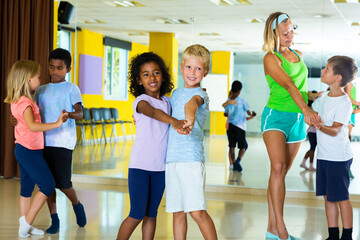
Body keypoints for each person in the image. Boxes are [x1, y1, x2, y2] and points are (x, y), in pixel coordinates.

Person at [261, 12, 321, 240]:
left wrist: (315, 97)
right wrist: (306, 108)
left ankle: (271, 230)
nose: (290, 36)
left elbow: (301, 88)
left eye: (291, 31)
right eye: (284, 33)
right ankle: (282, 230)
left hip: (297, 121)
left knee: (280, 175)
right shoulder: (270, 58)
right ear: (274, 33)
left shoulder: (299, 54)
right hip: (275, 117)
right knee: (276, 169)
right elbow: (287, 85)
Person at [116, 52, 188, 240]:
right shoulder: (141, 101)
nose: (152, 78)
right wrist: (174, 121)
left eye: (156, 73)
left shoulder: (167, 101)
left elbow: (178, 107)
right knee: (136, 214)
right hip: (140, 167)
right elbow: (153, 113)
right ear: (139, 80)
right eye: (146, 74)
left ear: (163, 76)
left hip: (160, 168)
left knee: (151, 214)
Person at [4, 60, 67, 238]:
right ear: (28, 79)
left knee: (26, 188)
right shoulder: (26, 103)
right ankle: (26, 223)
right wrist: (56, 124)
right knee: (48, 185)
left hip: (25, 149)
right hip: (28, 151)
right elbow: (32, 126)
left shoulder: (18, 100)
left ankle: (25, 227)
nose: (40, 79)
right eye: (38, 77)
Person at [165, 44, 218, 240]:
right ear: (181, 67)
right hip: (172, 160)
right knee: (177, 211)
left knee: (196, 211)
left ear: (206, 71)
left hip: (191, 161)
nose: (192, 72)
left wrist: (189, 119)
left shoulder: (201, 94)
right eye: (189, 67)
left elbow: (192, 104)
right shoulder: (176, 94)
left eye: (198, 68)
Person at [34, 48, 86, 233]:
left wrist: (68, 114)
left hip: (63, 143)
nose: (55, 72)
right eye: (51, 67)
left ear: (68, 69)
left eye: (59, 68)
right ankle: (54, 219)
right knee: (48, 184)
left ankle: (76, 204)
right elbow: (30, 113)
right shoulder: (41, 89)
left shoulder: (72, 88)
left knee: (63, 183)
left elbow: (80, 113)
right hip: (43, 142)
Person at [311, 56, 358, 240]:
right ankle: (332, 235)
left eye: (327, 69)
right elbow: (312, 110)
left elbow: (336, 130)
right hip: (323, 156)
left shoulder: (344, 102)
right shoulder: (324, 98)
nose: (323, 71)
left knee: (341, 197)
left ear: (338, 77)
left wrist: (318, 125)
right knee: (327, 197)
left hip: (338, 158)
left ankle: (346, 235)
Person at [222, 80, 256, 172]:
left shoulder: (229, 101)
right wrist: (252, 114)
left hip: (231, 127)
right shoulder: (243, 101)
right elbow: (249, 112)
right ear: (240, 90)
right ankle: (237, 161)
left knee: (231, 147)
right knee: (243, 146)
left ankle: (232, 164)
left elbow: (225, 114)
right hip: (240, 127)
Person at [300, 91, 318, 171]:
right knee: (312, 148)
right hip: (312, 131)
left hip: (314, 131)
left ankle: (303, 163)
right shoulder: (311, 108)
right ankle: (310, 165)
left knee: (312, 148)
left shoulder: (314, 107)